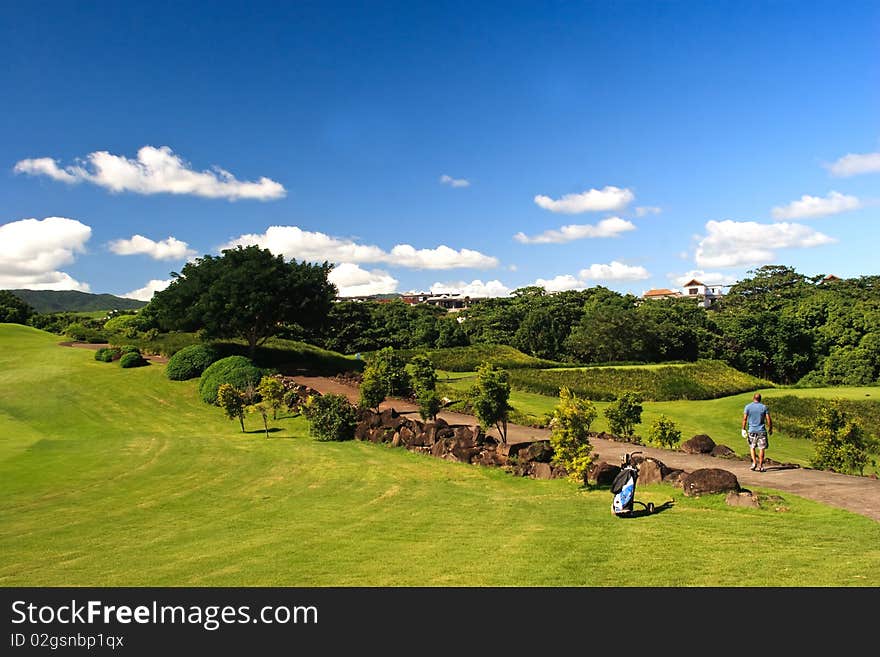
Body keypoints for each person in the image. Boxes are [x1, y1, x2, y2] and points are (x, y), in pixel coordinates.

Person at [742, 392, 772, 472]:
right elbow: (768, 419)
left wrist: (743, 428)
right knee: (761, 448)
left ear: (753, 398)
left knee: (752, 447)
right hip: (761, 431)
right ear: (760, 399)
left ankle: (754, 463)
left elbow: (745, 419)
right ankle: (761, 466)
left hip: (752, 430)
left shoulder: (748, 407)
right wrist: (770, 428)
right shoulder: (764, 407)